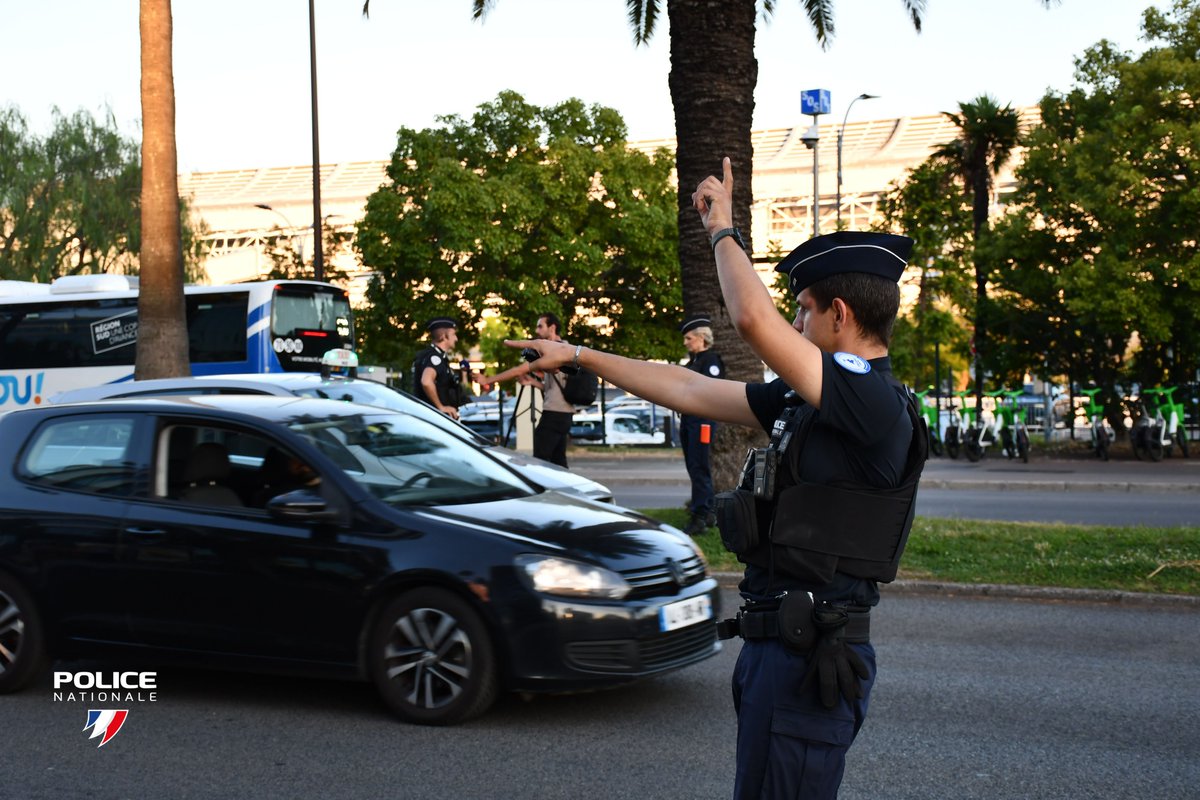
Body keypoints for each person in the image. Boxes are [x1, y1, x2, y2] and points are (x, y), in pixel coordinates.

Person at [507, 158, 924, 800]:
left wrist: (721, 231)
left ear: (838, 314)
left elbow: (753, 322)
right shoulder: (809, 399)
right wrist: (580, 355)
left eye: (805, 312)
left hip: (812, 656)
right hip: (774, 651)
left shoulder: (872, 402)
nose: (796, 326)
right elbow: (691, 388)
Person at [486, 313, 576, 468]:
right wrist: (533, 382)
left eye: (540, 326)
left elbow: (519, 370)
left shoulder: (558, 350)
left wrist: (487, 380)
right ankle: (565, 490)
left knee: (538, 461)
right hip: (565, 414)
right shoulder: (566, 349)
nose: (537, 331)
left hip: (554, 413)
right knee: (558, 461)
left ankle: (542, 491)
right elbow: (553, 390)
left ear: (552, 327)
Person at [679, 315, 725, 536]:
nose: (686, 342)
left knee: (699, 467)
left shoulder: (711, 361)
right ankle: (706, 513)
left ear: (701, 338)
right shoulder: (693, 362)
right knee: (693, 466)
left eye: (689, 338)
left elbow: (711, 391)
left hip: (702, 421)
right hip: (689, 419)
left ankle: (701, 514)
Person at [411, 317, 468, 420]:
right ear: (443, 336)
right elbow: (426, 381)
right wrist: (440, 407)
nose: (456, 338)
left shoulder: (434, 356)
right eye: (453, 334)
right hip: (433, 418)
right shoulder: (434, 357)